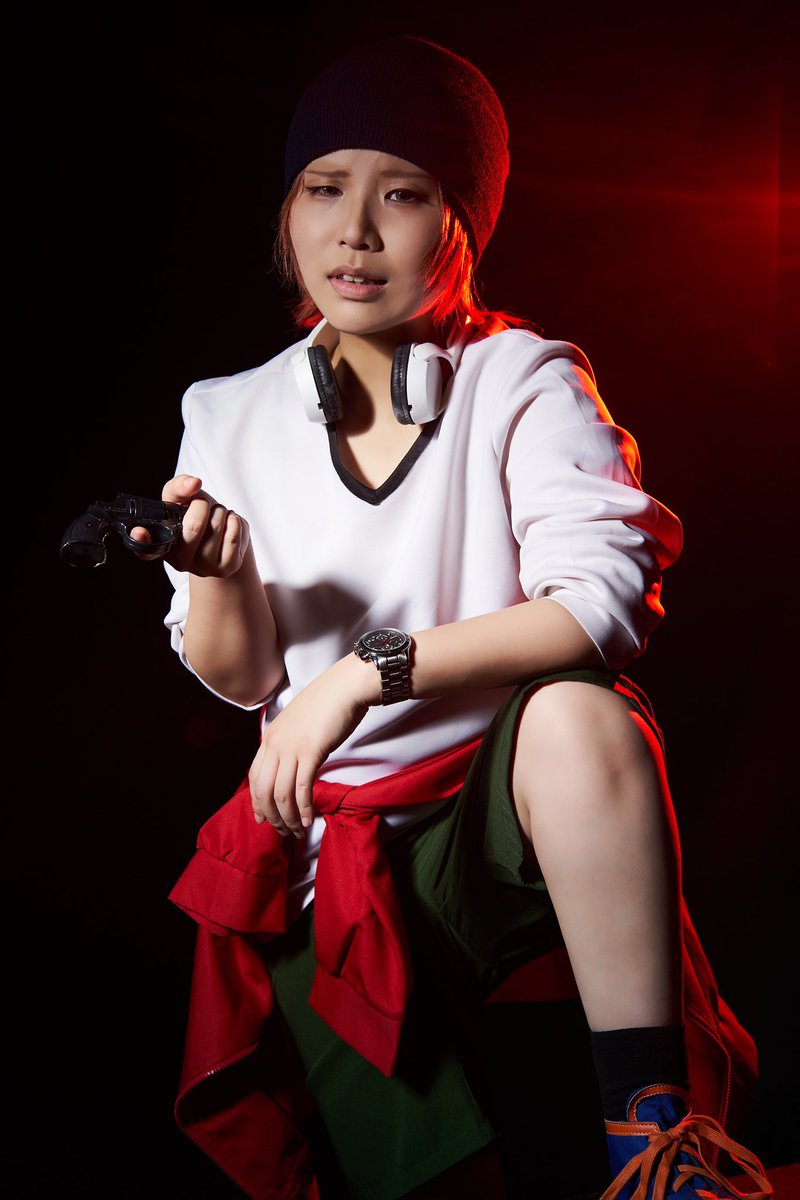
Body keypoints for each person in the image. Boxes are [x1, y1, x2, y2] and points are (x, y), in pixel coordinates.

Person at [136, 34, 775, 1200]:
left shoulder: (523, 376)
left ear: (460, 227)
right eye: (323, 189)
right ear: (286, 212)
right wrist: (219, 572)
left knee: (581, 713)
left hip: (504, 820)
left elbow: (600, 605)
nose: (354, 231)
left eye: (403, 194)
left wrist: (359, 674)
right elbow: (240, 680)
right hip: (334, 857)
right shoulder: (224, 413)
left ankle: (652, 1132)